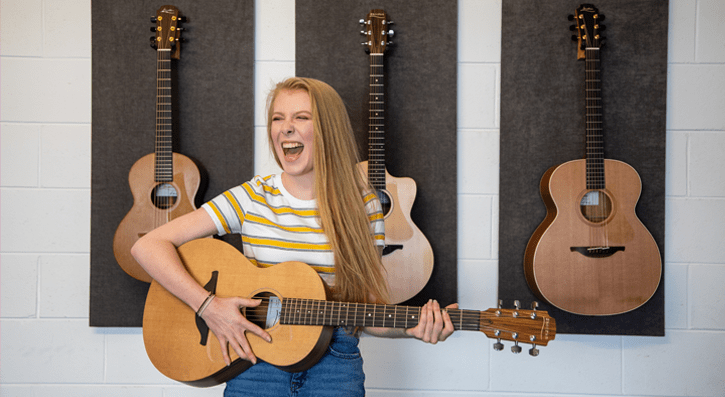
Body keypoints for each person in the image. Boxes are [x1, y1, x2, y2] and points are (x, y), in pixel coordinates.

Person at [131, 77, 456, 396]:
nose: (285, 128)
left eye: (301, 117)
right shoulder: (253, 196)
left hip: (334, 367)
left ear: (329, 129)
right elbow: (148, 246)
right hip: (254, 364)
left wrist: (411, 327)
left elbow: (366, 309)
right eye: (277, 118)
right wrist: (208, 306)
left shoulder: (364, 204)